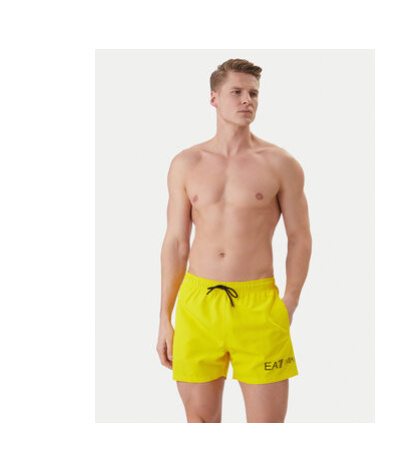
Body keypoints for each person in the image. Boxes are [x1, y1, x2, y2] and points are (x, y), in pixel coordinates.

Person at [156, 58, 312, 423]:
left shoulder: (280, 163)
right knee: (201, 423)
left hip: (259, 306)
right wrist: (164, 317)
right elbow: (176, 242)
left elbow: (300, 237)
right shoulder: (186, 163)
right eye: (237, 92)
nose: (247, 100)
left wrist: (289, 301)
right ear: (213, 98)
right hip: (198, 305)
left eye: (253, 94)